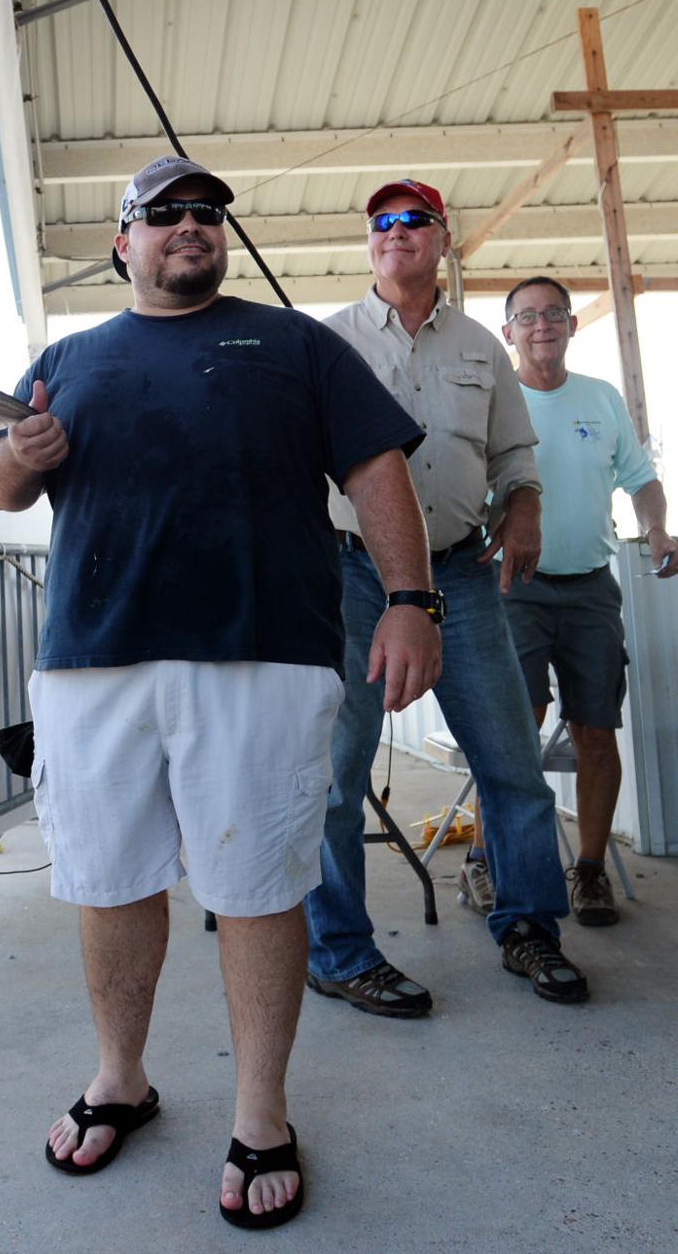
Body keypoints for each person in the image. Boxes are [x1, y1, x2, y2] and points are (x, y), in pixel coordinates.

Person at [0, 155, 441, 1230]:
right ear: (122, 244)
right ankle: (119, 1079)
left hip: (265, 653)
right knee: (108, 877)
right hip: (94, 662)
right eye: (165, 213)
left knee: (259, 888)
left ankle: (262, 1113)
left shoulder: (297, 344)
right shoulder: (68, 356)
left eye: (207, 213)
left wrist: (414, 599)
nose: (191, 225)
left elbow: (378, 469)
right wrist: (19, 451)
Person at [303, 179, 589, 1014]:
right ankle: (341, 950)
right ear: (369, 244)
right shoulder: (328, 343)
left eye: (414, 219)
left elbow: (514, 458)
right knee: (333, 774)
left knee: (511, 762)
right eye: (382, 222)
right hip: (350, 574)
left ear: (442, 238)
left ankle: (530, 925)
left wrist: (527, 505)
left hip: (462, 572)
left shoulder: (480, 346)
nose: (397, 232)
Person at [496, 276, 678, 925]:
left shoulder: (600, 398)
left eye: (554, 313)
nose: (541, 324)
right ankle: (500, 859)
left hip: (592, 587)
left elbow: (643, 479)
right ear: (507, 331)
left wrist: (657, 526)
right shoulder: (496, 398)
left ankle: (591, 870)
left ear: (572, 325)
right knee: (518, 729)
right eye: (527, 315)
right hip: (512, 587)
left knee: (595, 732)